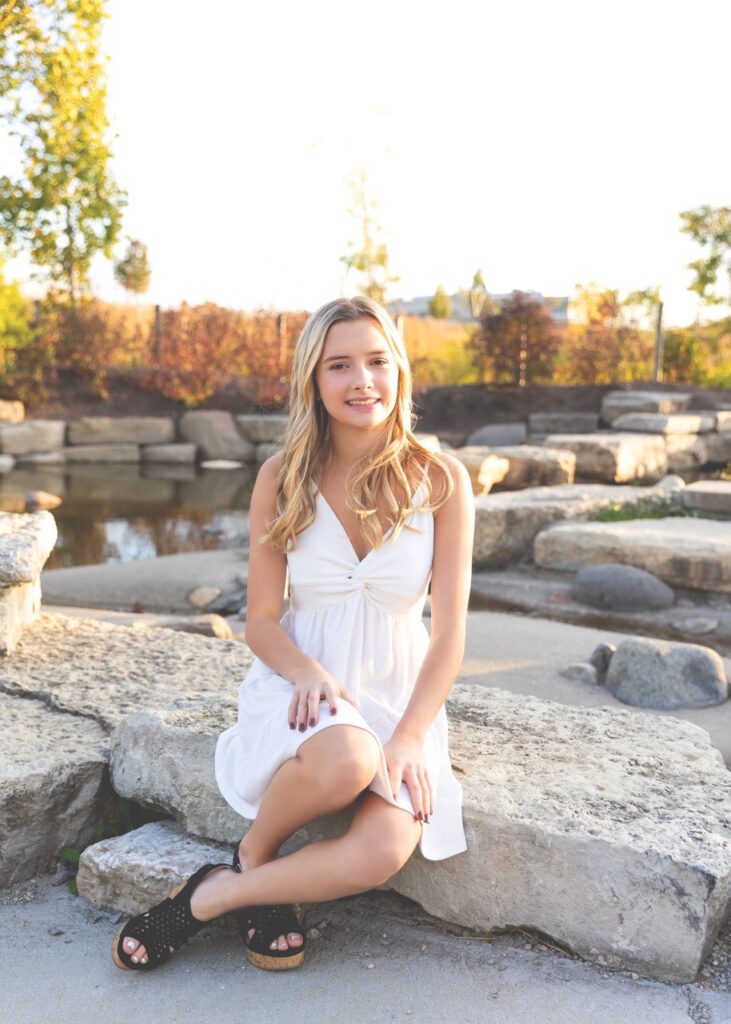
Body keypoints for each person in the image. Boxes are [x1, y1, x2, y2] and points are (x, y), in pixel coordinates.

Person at [112, 295, 474, 972]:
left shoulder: (441, 480)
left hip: (400, 690)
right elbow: (261, 620)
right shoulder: (282, 478)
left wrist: (407, 738)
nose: (361, 380)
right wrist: (307, 673)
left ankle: (217, 893)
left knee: (383, 849)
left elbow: (450, 631)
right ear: (314, 379)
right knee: (346, 760)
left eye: (375, 360)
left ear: (399, 370)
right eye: (339, 365)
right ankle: (258, 847)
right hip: (302, 679)